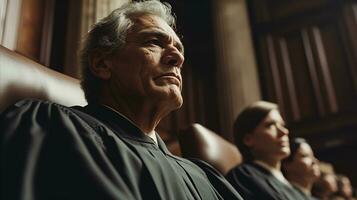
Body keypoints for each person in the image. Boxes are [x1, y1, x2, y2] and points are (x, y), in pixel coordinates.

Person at [0, 1, 243, 199]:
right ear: (102, 63)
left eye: (179, 49)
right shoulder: (50, 126)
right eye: (154, 42)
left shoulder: (207, 176)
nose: (177, 58)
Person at [226, 101, 309, 200]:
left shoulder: (295, 188)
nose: (284, 131)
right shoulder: (243, 176)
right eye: (270, 125)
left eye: (282, 125)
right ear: (248, 139)